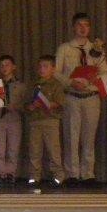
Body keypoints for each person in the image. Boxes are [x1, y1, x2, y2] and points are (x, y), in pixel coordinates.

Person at [55, 12, 107, 186]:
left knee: (89, 136)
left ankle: (88, 174)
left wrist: (94, 79)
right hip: (72, 96)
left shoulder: (96, 49)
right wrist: (71, 82)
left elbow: (106, 72)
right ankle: (72, 174)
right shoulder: (65, 48)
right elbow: (56, 73)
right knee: (71, 136)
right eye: (79, 24)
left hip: (91, 96)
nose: (83, 28)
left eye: (86, 25)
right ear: (73, 27)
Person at [25, 55, 66, 188]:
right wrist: (32, 106)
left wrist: (47, 103)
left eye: (45, 66)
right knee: (34, 150)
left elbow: (60, 103)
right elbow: (26, 103)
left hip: (50, 120)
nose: (42, 69)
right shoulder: (33, 85)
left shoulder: (56, 84)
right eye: (40, 66)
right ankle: (34, 176)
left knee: (53, 150)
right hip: (35, 121)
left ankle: (58, 176)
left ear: (53, 69)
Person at [0, 54, 27, 185]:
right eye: (1, 65)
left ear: (14, 67)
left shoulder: (21, 85)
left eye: (7, 64)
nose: (4, 67)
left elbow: (26, 104)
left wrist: (16, 107)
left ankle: (11, 173)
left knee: (13, 148)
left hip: (14, 119)